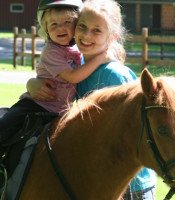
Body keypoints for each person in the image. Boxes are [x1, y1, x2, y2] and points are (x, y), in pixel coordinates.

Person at [27, 0, 156, 199]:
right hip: (102, 180)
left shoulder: (115, 76)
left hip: (130, 185)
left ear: (112, 36)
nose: (87, 35)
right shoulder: (79, 64)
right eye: (83, 27)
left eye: (97, 30)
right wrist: (33, 83)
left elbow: (133, 135)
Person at [0, 0, 110, 142]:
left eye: (67, 22)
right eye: (54, 24)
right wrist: (101, 57)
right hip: (35, 106)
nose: (60, 28)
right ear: (45, 29)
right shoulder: (52, 51)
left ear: (76, 25)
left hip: (58, 112)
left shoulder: (76, 50)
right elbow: (72, 77)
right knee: (4, 127)